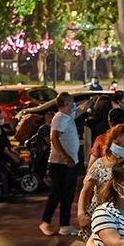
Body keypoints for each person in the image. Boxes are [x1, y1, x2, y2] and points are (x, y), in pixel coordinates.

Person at [40, 92, 81, 237]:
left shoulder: (68, 116)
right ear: (66, 103)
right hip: (60, 164)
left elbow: (80, 110)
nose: (74, 104)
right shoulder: (60, 118)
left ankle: (65, 225)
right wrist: (66, 156)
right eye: (72, 102)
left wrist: (91, 102)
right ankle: (45, 222)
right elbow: (54, 138)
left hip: (69, 163)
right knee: (56, 194)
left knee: (68, 195)